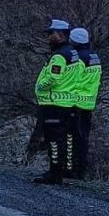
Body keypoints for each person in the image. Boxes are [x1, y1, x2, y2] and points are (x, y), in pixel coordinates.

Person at [33, 17, 81, 185]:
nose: (48, 37)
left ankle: (55, 173)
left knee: (53, 139)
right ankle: (58, 171)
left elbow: (53, 78)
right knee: (61, 139)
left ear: (60, 35)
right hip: (67, 103)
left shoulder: (60, 56)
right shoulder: (73, 52)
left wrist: (40, 86)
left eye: (51, 34)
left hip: (54, 104)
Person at [69, 27, 100, 178]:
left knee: (73, 139)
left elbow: (72, 81)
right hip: (88, 104)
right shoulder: (94, 56)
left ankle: (73, 170)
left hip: (76, 103)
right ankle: (80, 169)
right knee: (83, 139)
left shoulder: (78, 58)